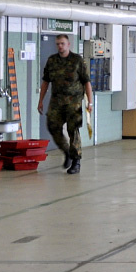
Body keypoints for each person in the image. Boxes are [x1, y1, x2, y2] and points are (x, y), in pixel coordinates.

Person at [37, 34, 93, 174]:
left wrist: (90, 102)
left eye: (62, 43)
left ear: (68, 44)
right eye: (58, 44)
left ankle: (76, 161)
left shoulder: (77, 60)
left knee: (72, 130)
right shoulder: (52, 61)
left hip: (73, 102)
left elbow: (87, 82)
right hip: (56, 101)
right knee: (52, 126)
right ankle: (67, 151)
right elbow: (45, 82)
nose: (60, 46)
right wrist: (40, 100)